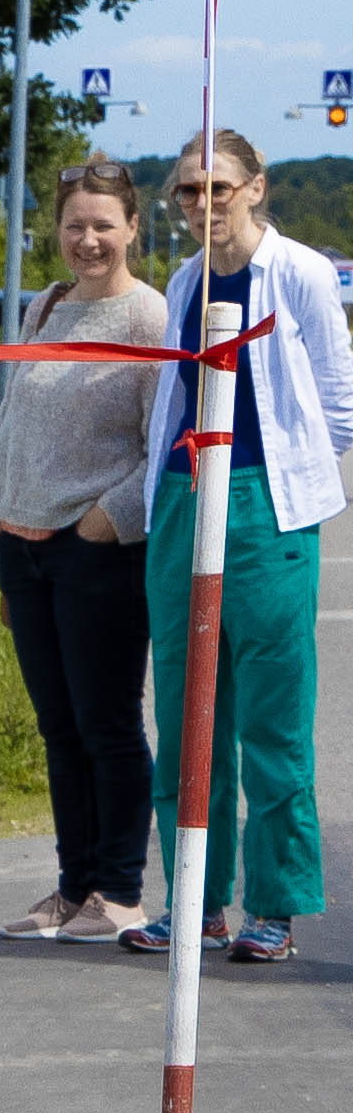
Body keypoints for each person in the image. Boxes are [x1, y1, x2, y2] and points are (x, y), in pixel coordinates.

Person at [132, 127, 348, 965]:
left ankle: (277, 906)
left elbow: (337, 402)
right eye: (188, 191)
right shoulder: (185, 280)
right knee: (186, 713)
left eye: (217, 186)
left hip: (267, 506)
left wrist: (293, 479)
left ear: (256, 186)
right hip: (184, 495)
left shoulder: (301, 274)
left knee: (272, 720)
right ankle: (196, 900)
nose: (203, 204)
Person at [0, 159, 169, 942]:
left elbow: (163, 449)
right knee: (59, 728)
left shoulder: (149, 319)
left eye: (103, 226)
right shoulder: (45, 305)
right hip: (24, 552)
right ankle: (72, 887)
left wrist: (103, 521)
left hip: (97, 553)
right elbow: (19, 423)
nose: (88, 240)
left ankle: (119, 891)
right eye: (74, 225)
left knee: (107, 724)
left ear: (132, 229)